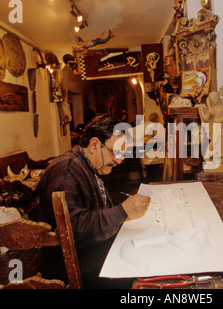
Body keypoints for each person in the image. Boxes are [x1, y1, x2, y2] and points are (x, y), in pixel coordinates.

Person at [37, 114, 151, 288]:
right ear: (94, 145)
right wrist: (123, 211)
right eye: (115, 153)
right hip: (76, 271)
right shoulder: (66, 171)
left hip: (91, 257)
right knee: (144, 276)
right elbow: (73, 230)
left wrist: (125, 204)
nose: (119, 161)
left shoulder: (92, 164)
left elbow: (99, 208)